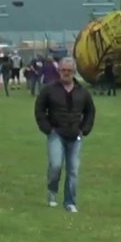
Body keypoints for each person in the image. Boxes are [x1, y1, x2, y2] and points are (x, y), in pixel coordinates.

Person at [33, 57, 96, 212]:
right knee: (55, 165)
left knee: (73, 170)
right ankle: (52, 191)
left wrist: (84, 129)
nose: (65, 73)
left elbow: (90, 111)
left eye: (69, 71)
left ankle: (70, 202)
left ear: (74, 72)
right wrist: (48, 129)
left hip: (75, 135)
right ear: (59, 70)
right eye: (63, 70)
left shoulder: (83, 92)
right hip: (56, 133)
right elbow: (39, 109)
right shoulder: (49, 90)